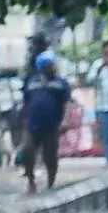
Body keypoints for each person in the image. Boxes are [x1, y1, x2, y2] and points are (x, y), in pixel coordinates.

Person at [19, 52, 71, 191]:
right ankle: (31, 180)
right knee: (28, 150)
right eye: (49, 64)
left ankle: (51, 182)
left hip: (52, 125)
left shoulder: (61, 83)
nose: (52, 67)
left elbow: (66, 103)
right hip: (32, 124)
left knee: (50, 155)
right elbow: (25, 102)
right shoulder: (31, 82)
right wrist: (24, 120)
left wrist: (65, 120)